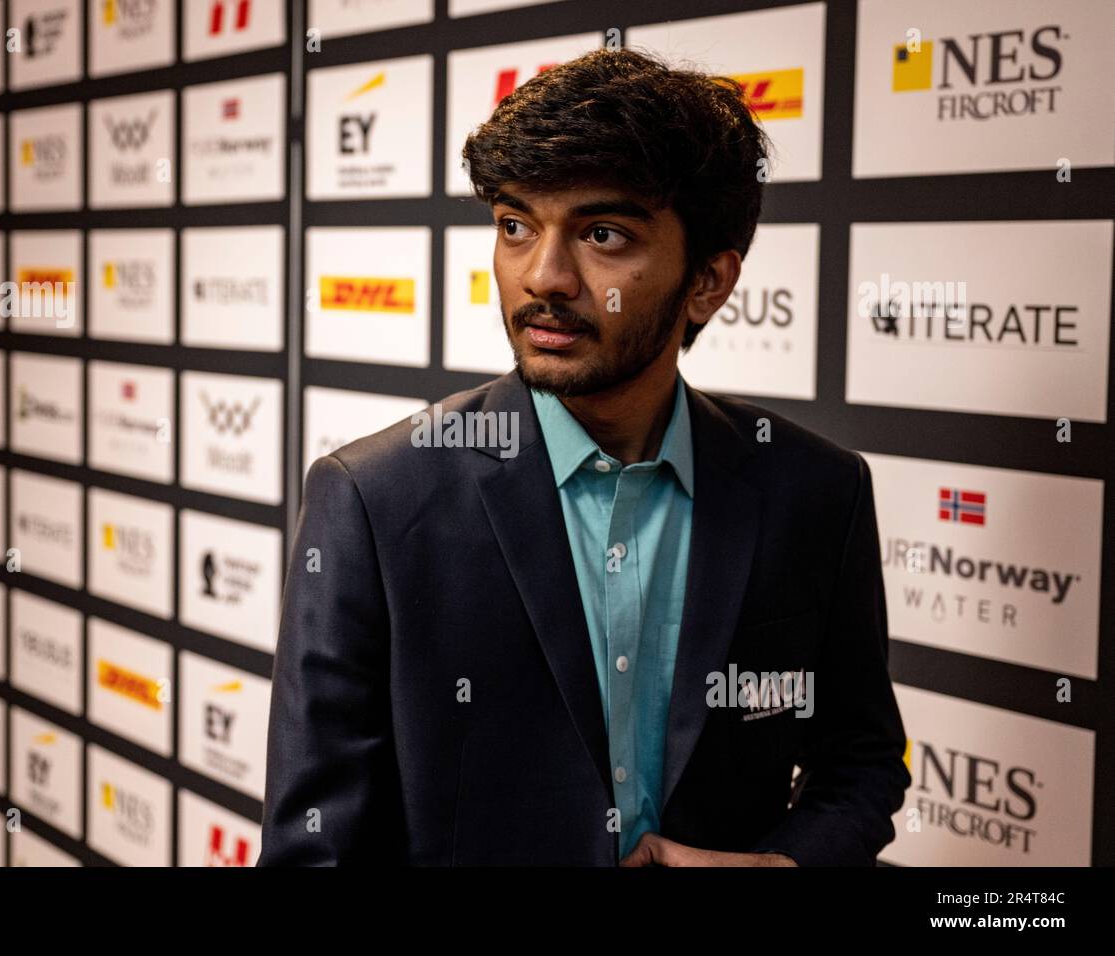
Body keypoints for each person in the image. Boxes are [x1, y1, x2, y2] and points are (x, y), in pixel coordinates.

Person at [258, 48, 910, 866]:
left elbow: (862, 762)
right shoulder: (375, 499)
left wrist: (781, 865)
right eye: (515, 226)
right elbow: (317, 847)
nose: (544, 276)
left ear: (709, 280)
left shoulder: (816, 490)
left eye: (602, 234)